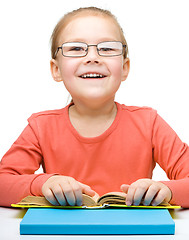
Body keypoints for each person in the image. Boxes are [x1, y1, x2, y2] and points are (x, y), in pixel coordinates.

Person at [0, 6, 189, 208]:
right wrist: (44, 182)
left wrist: (166, 190)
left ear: (124, 68)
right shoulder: (41, 126)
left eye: (107, 48)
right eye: (76, 48)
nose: (92, 57)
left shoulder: (149, 123)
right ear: (56, 70)